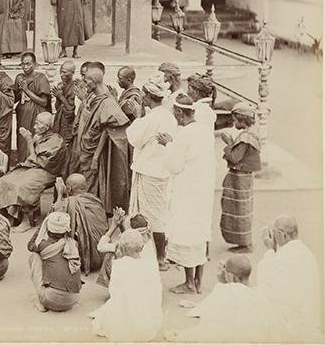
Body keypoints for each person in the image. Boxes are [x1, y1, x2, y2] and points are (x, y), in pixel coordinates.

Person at [158, 94, 216, 294]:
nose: (175, 119)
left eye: (176, 115)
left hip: (187, 191)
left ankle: (189, 282)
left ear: (182, 113)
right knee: (200, 234)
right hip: (203, 190)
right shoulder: (205, 131)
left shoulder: (185, 134)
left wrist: (168, 144)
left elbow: (174, 164)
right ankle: (199, 281)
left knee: (186, 233)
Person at [166, 255, 283, 342]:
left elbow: (207, 329)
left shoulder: (224, 293)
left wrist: (181, 337)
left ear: (230, 276)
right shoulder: (259, 296)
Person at [126, 73, 178, 270]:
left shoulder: (152, 118)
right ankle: (154, 252)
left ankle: (159, 258)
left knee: (152, 216)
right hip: (162, 170)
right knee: (159, 213)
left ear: (147, 97)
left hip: (151, 171)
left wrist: (137, 117)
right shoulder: (168, 116)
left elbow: (134, 139)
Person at [70, 66, 130, 215]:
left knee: (92, 185)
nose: (84, 84)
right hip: (87, 147)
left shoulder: (107, 101)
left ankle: (92, 215)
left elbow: (108, 129)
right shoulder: (94, 97)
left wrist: (96, 156)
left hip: (96, 152)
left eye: (86, 81)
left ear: (93, 82)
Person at [255, 215, 321, 341]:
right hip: (308, 322)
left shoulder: (284, 256)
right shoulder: (306, 252)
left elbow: (266, 281)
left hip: (291, 327)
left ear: (281, 234)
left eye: (274, 233)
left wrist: (269, 250)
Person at [0, 113, 66, 232]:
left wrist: (29, 141)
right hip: (33, 168)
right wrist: (31, 140)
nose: (34, 127)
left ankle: (26, 221)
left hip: (46, 171)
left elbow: (37, 160)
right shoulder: (40, 136)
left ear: (46, 127)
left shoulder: (56, 141)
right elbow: (32, 158)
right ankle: (11, 216)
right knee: (4, 181)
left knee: (22, 186)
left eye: (37, 124)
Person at [90, 229, 163, 341]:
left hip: (128, 314)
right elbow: (156, 290)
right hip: (147, 316)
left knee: (112, 309)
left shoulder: (120, 265)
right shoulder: (150, 263)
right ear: (141, 247)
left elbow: (113, 291)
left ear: (122, 248)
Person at [218, 102, 261, 252]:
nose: (233, 123)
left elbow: (235, 158)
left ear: (242, 120)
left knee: (239, 210)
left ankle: (245, 244)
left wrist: (228, 144)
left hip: (240, 178)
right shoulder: (251, 134)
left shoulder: (245, 137)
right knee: (242, 209)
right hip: (244, 178)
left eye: (235, 120)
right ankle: (244, 242)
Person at [50, 173, 108, 275]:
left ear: (68, 188)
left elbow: (53, 218)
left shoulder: (68, 203)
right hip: (101, 254)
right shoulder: (95, 200)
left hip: (80, 259)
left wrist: (59, 194)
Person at [27, 212, 82, 312]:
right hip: (73, 299)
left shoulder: (43, 245)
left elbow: (30, 245)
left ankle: (42, 301)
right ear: (66, 231)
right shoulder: (73, 243)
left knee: (34, 256)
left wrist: (41, 226)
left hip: (51, 300)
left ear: (47, 230)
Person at [95, 208, 157, 287]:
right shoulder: (149, 242)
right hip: (147, 287)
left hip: (131, 288)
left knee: (109, 256)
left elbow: (100, 246)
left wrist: (114, 226)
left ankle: (118, 289)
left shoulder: (122, 245)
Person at [14, 52, 52, 164]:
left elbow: (44, 102)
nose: (25, 67)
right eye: (23, 64)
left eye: (28, 64)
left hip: (37, 117)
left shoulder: (41, 78)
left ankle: (35, 166)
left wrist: (27, 90)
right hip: (22, 115)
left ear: (35, 64)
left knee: (36, 142)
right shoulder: (19, 77)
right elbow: (15, 98)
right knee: (22, 141)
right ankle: (22, 165)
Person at [52, 61, 76, 146]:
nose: (62, 75)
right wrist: (57, 97)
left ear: (72, 73)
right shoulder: (61, 85)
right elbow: (57, 107)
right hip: (59, 120)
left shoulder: (75, 88)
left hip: (68, 124)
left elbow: (71, 112)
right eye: (61, 71)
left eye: (65, 72)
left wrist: (61, 97)